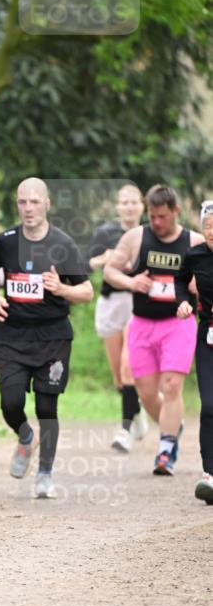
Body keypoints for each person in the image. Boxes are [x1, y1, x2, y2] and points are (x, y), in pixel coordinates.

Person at [0, 178, 93, 498]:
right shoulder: (5, 242)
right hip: (13, 335)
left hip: (53, 338)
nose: (28, 208)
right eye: (22, 202)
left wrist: (62, 289)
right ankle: (26, 436)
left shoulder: (64, 244)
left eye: (34, 202)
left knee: (47, 406)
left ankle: (45, 473)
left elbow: (87, 291)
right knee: (10, 404)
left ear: (47, 204)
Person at [103, 184, 203, 476]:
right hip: (142, 324)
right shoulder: (136, 238)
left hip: (178, 323)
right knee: (146, 393)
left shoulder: (194, 242)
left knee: (171, 385)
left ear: (175, 211)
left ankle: (166, 449)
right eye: (152, 215)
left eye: (162, 216)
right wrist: (132, 282)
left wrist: (198, 287)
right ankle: (174, 424)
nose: (156, 221)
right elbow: (111, 270)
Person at [86, 183, 148, 452]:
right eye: (124, 202)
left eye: (134, 202)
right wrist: (104, 260)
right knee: (119, 378)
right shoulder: (106, 232)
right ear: (117, 206)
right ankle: (137, 410)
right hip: (111, 303)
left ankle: (123, 429)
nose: (129, 207)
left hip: (139, 303)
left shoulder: (149, 233)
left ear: (142, 205)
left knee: (128, 367)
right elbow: (83, 264)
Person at [176, 200, 213, 504]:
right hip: (208, 335)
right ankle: (209, 475)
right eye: (208, 227)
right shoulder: (195, 255)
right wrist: (182, 301)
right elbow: (179, 280)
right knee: (209, 405)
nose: (212, 232)